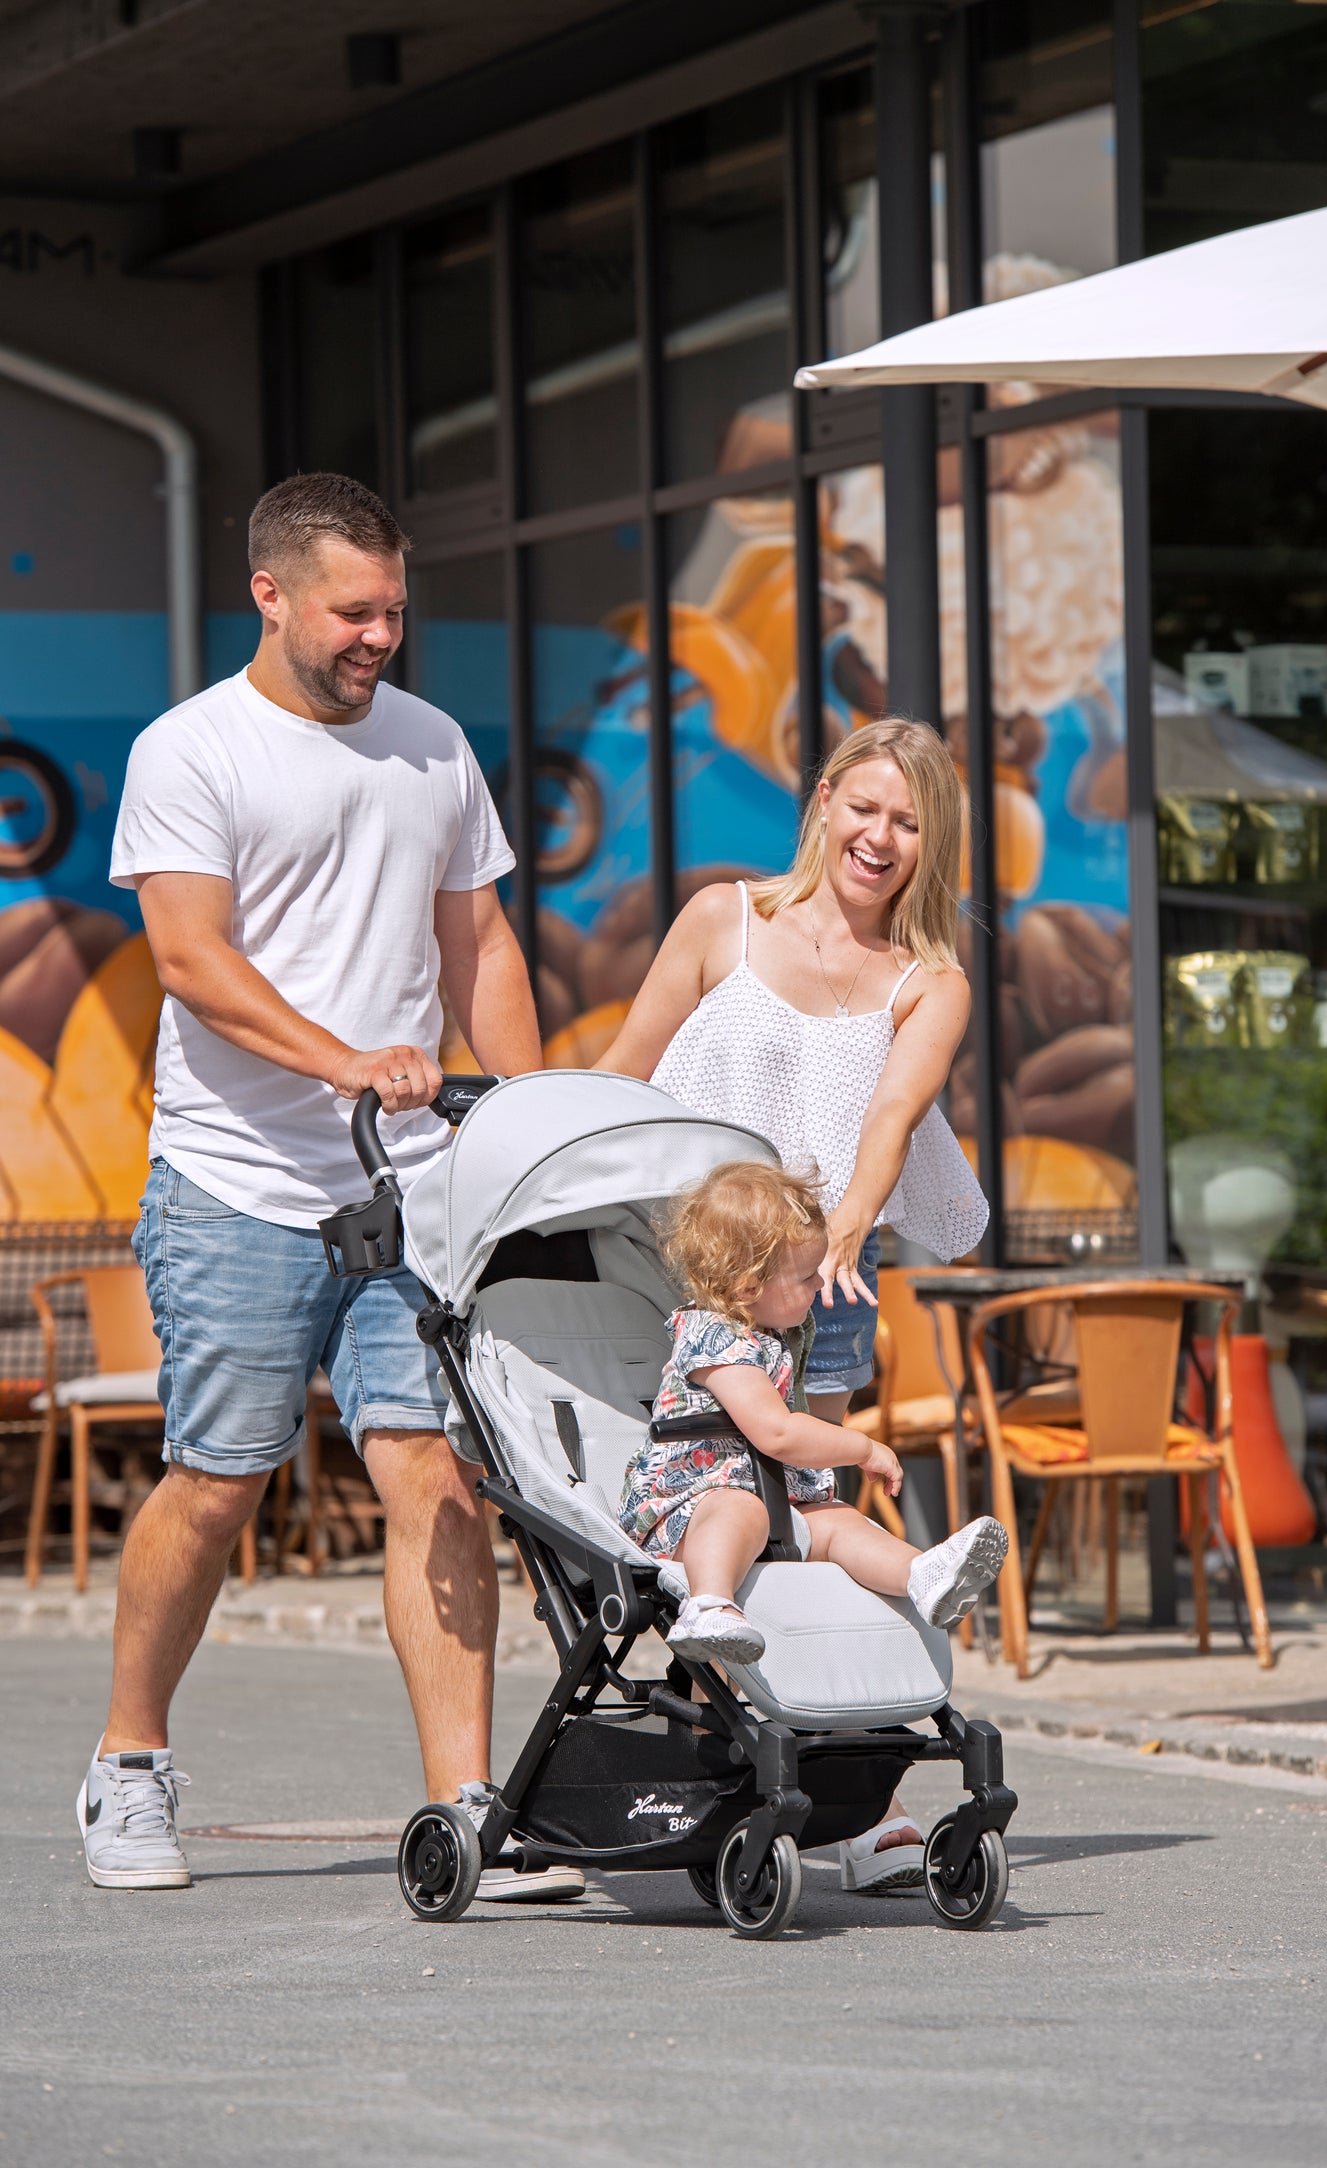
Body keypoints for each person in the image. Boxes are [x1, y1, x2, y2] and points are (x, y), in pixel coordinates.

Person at [77, 471, 581, 1903]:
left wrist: (532, 1121)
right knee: (220, 1484)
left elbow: (476, 944)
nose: (380, 637)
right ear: (273, 594)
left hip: (409, 1191)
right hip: (237, 1183)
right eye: (354, 611)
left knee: (436, 1473)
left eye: (396, 611)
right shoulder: (195, 751)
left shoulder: (430, 747)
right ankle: (128, 1761)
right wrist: (345, 1059)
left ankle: (467, 1807)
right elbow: (190, 959)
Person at [597, 716, 988, 1892]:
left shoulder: (931, 982)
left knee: (805, 1527)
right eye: (864, 807)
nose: (880, 837)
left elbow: (886, 1117)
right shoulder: (726, 917)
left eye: (908, 823)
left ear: (932, 845)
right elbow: (622, 1073)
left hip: (817, 1289)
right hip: (670, 1281)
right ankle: (740, 1764)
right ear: (823, 801)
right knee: (680, 1517)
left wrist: (849, 1230)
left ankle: (861, 1805)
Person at [618, 1160, 1006, 1662]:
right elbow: (776, 1433)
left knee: (840, 1523)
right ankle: (709, 1602)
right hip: (690, 1509)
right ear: (748, 1287)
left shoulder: (773, 1336)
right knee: (739, 1507)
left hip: (771, 1501)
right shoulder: (713, 1337)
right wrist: (861, 1447)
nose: (819, 1290)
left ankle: (922, 1575)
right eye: (806, 1278)